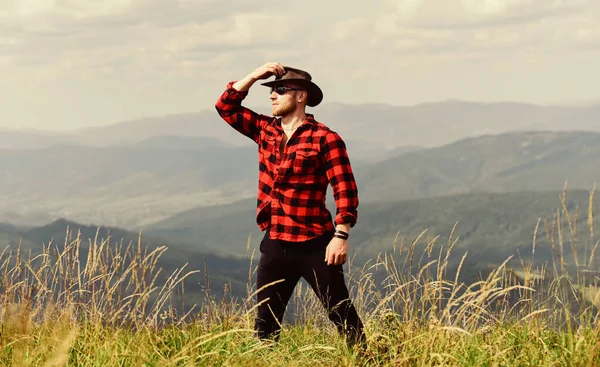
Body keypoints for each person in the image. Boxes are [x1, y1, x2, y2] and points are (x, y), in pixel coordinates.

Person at [215, 62, 365, 346]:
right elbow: (226, 107)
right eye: (271, 90)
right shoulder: (265, 131)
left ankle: (369, 361)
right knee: (265, 323)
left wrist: (341, 235)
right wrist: (255, 75)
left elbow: (344, 188)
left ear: (301, 96)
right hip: (275, 241)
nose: (272, 96)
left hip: (315, 244)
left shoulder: (325, 139)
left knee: (341, 314)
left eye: (280, 90)